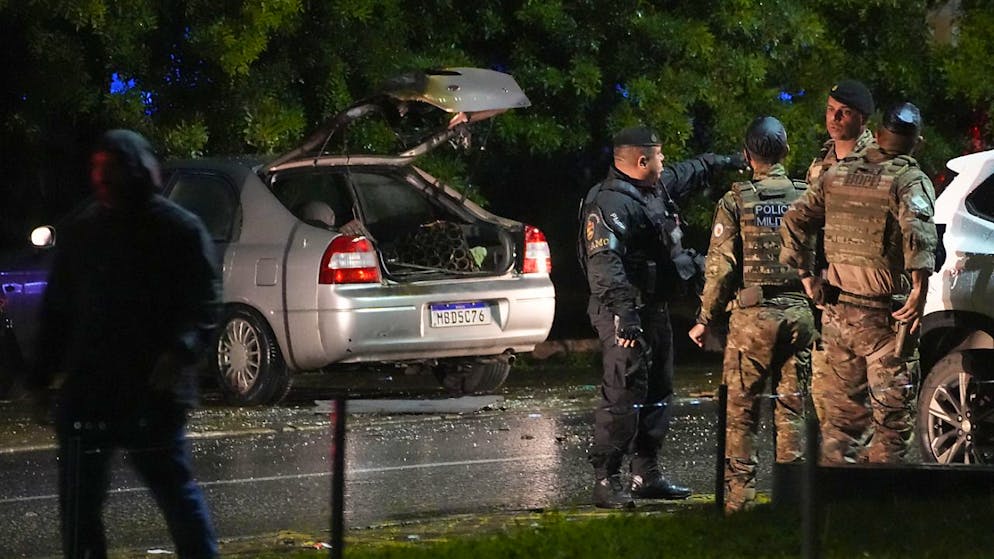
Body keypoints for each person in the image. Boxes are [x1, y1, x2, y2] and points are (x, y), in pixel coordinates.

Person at [28, 129, 221, 558]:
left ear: (136, 172)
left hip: (150, 391)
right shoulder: (84, 232)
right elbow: (58, 311)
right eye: (98, 169)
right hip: (92, 391)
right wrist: (40, 379)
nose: (103, 179)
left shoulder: (178, 230)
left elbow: (203, 304)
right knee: (81, 507)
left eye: (111, 169)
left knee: (175, 494)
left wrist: (179, 353)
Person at [578, 126, 746, 508]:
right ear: (642, 160)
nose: (664, 161)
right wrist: (624, 315)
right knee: (623, 392)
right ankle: (606, 479)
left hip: (654, 308)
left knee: (658, 389)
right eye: (659, 155)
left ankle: (646, 473)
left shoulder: (652, 189)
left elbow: (687, 172)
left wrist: (725, 161)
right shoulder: (609, 203)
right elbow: (604, 266)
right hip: (623, 312)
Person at [780, 103, 937, 464]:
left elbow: (794, 219)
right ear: (917, 143)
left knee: (839, 431)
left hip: (837, 316)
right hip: (885, 320)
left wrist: (806, 276)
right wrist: (919, 289)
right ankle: (878, 499)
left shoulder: (838, 174)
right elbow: (918, 231)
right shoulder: (908, 179)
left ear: (878, 135)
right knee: (891, 431)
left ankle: (838, 498)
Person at [687, 116, 816, 513]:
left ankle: (739, 506)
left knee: (741, 414)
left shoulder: (736, 201)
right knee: (793, 410)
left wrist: (705, 318)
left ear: (747, 156)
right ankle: (792, 504)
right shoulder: (806, 195)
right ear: (786, 151)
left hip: (753, 320)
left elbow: (721, 268)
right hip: (799, 315)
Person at [807, 79, 876, 184]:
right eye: (831, 109)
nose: (835, 117)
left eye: (846, 112)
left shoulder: (877, 159)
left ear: (864, 119)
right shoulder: (823, 156)